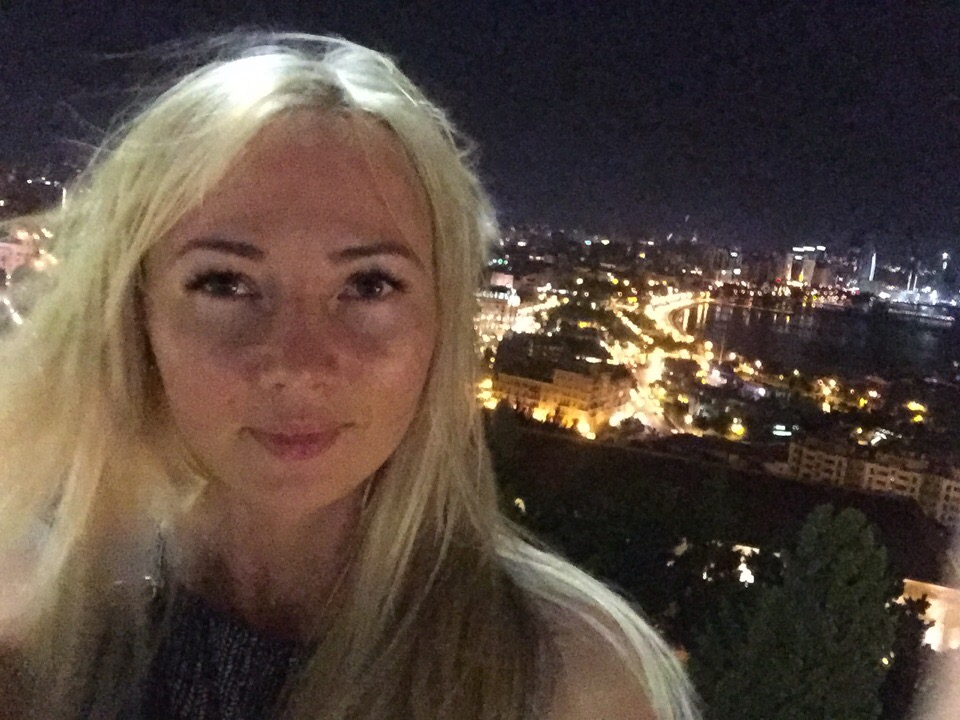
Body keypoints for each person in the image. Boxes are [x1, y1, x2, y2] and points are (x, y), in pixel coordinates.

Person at [0, 34, 699, 720]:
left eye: (369, 285)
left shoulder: (569, 685)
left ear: (442, 321)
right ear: (135, 315)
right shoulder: (38, 638)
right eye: (225, 283)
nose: (299, 365)